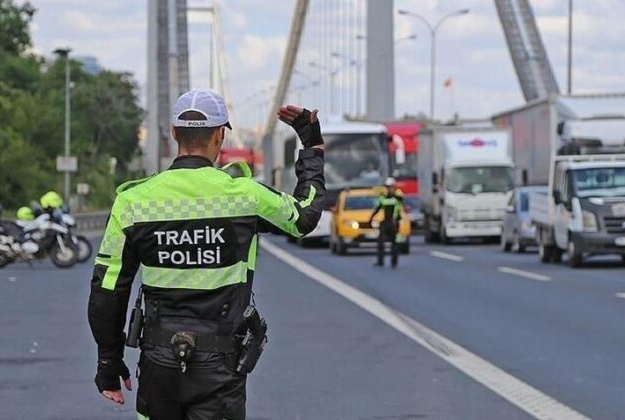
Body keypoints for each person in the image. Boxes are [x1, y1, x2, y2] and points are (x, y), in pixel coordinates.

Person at [87, 89, 326, 420]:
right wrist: (311, 146)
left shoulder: (133, 202)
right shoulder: (245, 195)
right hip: (221, 365)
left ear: (174, 134)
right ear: (220, 134)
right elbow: (305, 216)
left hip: (158, 363)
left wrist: (108, 362)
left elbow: (107, 290)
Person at [368, 177, 403, 268]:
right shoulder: (382, 198)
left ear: (394, 187)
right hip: (386, 222)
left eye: (391, 187)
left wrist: (396, 220)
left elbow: (399, 209)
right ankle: (380, 261)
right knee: (380, 242)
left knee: (394, 243)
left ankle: (394, 261)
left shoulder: (398, 198)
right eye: (388, 187)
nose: (389, 189)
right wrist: (371, 218)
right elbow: (377, 209)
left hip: (394, 223)